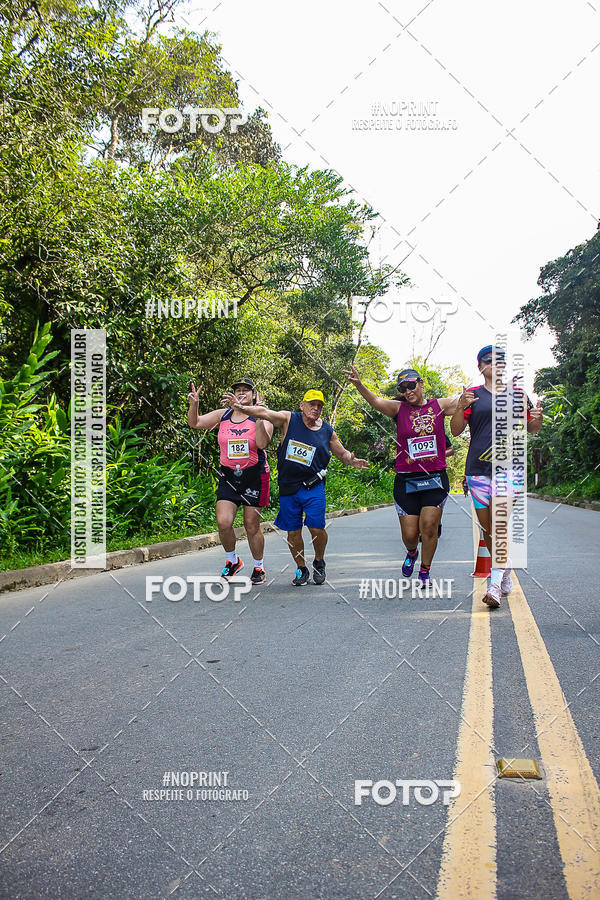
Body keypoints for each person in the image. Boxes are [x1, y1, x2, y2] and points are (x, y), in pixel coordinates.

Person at [227, 389, 368, 586]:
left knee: (316, 526)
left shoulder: (327, 431)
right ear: (302, 405)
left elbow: (342, 453)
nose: (316, 408)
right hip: (288, 487)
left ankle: (319, 561)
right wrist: (241, 407)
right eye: (311, 404)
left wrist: (351, 460)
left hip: (313, 485)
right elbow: (265, 413)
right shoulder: (288, 419)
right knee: (293, 532)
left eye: (319, 405)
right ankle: (301, 568)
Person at [345, 365, 458, 586]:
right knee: (409, 535)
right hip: (406, 480)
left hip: (434, 477)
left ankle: (425, 571)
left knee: (429, 526)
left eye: (411, 385)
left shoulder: (439, 405)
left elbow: (464, 402)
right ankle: (412, 552)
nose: (408, 391)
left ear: (421, 384)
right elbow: (376, 402)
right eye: (403, 388)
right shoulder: (399, 409)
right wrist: (359, 384)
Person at [450, 345, 543, 608]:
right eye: (488, 360)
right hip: (478, 470)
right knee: (488, 529)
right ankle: (505, 571)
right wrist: (459, 407)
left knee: (499, 523)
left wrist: (538, 418)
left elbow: (532, 428)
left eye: (500, 359)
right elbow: (456, 431)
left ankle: (493, 584)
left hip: (509, 470)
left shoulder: (517, 395)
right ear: (480, 367)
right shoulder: (473, 396)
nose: (495, 363)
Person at [187, 377, 273, 585]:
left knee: (251, 525)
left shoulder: (263, 415)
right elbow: (195, 423)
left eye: (246, 390)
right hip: (229, 476)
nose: (242, 393)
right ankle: (232, 561)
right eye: (238, 390)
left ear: (254, 395)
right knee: (223, 522)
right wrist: (194, 405)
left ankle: (259, 566)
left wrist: (259, 416)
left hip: (255, 475)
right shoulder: (223, 415)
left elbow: (262, 443)